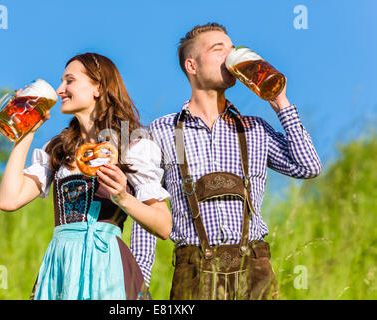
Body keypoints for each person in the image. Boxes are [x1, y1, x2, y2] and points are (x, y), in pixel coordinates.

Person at [130, 23, 322, 300]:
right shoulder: (161, 131)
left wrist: (280, 101)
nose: (230, 56)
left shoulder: (254, 128)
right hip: (193, 273)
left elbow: (308, 167)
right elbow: (147, 213)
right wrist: (140, 289)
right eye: (218, 50)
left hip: (255, 270)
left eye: (232, 49)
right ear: (191, 66)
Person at [0, 52, 172, 300]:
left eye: (69, 81)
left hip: (107, 265)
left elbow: (163, 226)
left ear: (98, 88)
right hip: (61, 265)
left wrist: (123, 197)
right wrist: (26, 132)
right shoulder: (58, 148)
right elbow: (8, 200)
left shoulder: (132, 145)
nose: (59, 90)